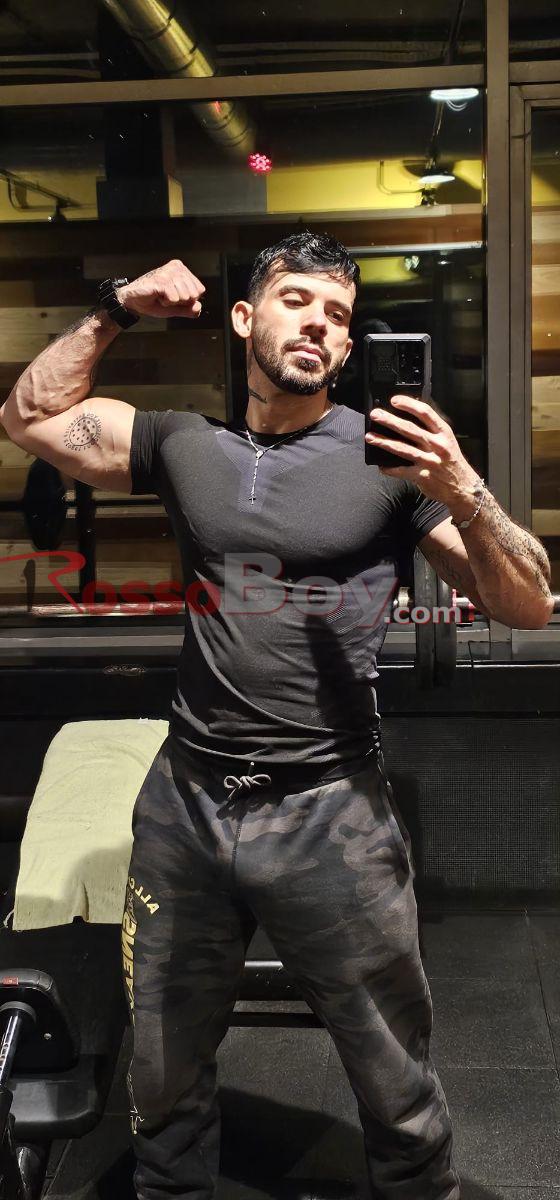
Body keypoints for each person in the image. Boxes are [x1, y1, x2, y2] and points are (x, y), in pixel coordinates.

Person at [0, 232, 553, 1200]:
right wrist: (117, 307)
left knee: (395, 1086)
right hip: (187, 804)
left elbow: (530, 604)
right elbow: (28, 415)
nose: (320, 325)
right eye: (298, 300)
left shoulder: (388, 459)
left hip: (329, 812)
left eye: (338, 315)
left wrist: (464, 491)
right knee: (161, 1080)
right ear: (245, 318)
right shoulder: (184, 444)